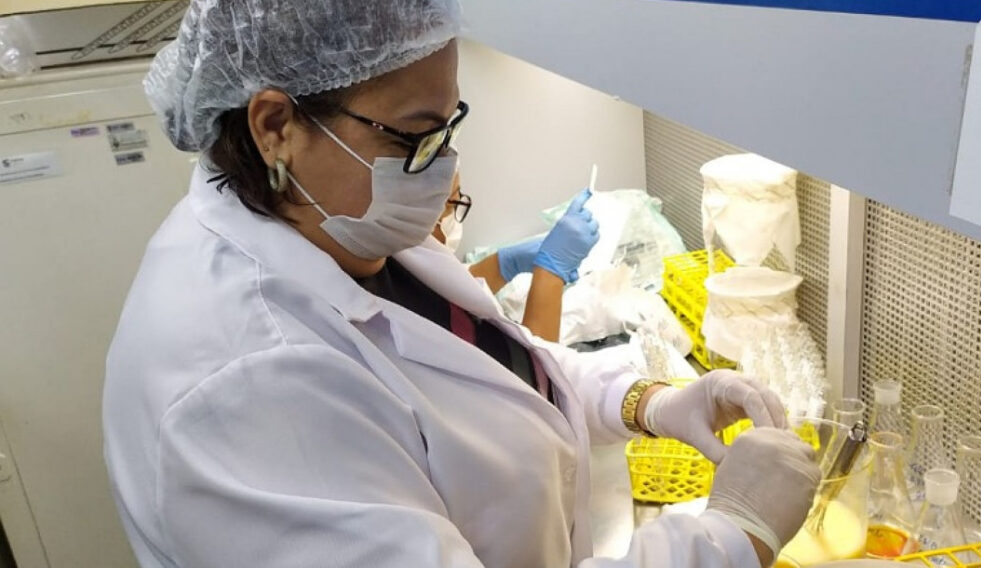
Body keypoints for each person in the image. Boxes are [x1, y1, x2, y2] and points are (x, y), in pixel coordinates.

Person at [103, 2, 821, 567]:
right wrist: (732, 536)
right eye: (413, 138)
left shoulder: (337, 228)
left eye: (447, 129)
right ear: (275, 125)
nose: (443, 169)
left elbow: (495, 372)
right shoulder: (249, 381)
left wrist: (647, 402)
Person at [432, 169, 598, 342]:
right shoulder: (418, 323)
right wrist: (551, 274)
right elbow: (537, 358)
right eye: (450, 204)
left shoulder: (420, 270)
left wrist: (504, 264)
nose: (455, 213)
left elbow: (444, 298)